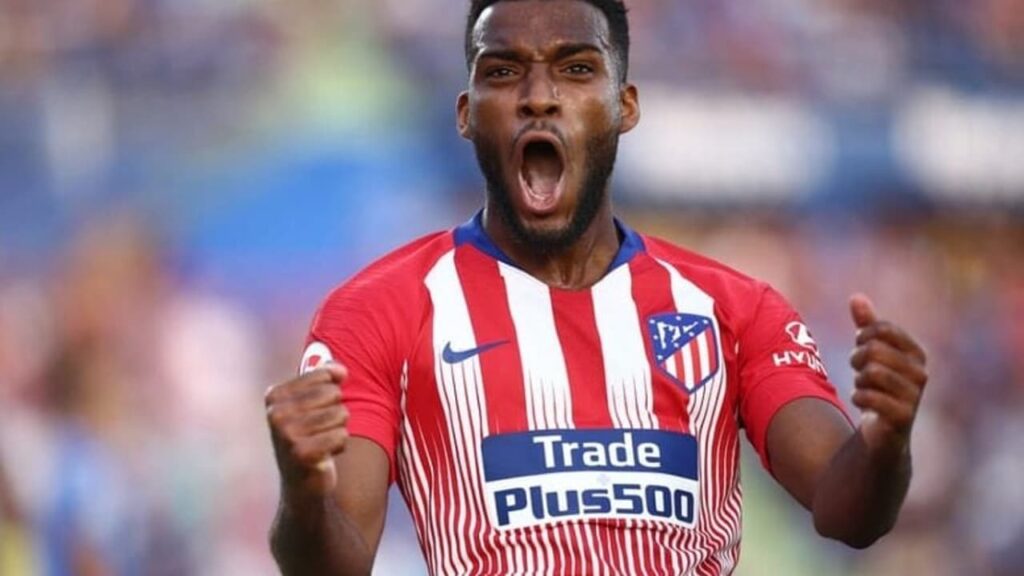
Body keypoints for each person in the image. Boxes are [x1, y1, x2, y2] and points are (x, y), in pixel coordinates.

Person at [264, 1, 929, 574]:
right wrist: (302, 490)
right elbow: (337, 562)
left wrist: (885, 439)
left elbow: (848, 512)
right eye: (503, 71)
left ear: (625, 106)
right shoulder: (379, 310)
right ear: (466, 113)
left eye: (577, 69)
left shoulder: (732, 308)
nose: (539, 96)